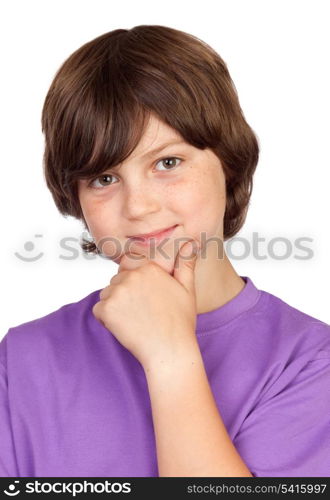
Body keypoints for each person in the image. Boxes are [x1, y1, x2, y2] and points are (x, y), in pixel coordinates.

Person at [1, 25, 329, 478]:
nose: (138, 206)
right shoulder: (22, 359)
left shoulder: (311, 363)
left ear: (228, 165)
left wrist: (170, 357)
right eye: (103, 178)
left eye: (168, 163)